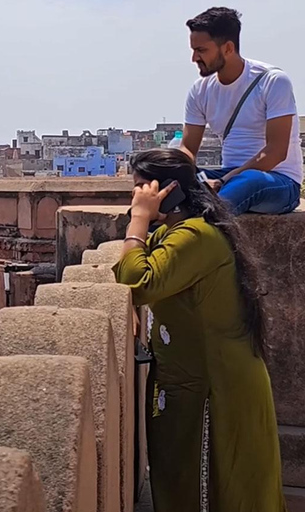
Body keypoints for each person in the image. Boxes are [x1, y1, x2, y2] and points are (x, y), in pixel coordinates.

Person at [115, 148, 286, 511]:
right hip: (191, 383)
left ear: (171, 189)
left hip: (216, 391)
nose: (138, 195)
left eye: (143, 187)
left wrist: (138, 220)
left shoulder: (195, 236)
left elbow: (135, 280)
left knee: (216, 488)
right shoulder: (178, 232)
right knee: (181, 479)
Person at [180, 7, 302, 215]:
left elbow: (276, 152)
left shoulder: (272, 81)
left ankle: (201, 228)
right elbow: (187, 149)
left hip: (277, 181)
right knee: (160, 173)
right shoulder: (200, 90)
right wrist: (176, 171)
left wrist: (223, 181)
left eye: (201, 50)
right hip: (229, 176)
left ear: (228, 48)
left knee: (248, 180)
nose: (194, 58)